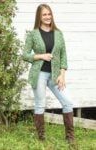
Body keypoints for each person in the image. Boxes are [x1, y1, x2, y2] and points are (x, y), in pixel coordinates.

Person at [22, 4, 75, 143]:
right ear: (39, 17)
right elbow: (25, 55)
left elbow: (63, 55)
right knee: (40, 104)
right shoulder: (33, 34)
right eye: (44, 14)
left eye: (49, 14)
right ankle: (41, 139)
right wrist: (40, 56)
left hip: (55, 75)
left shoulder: (58, 33)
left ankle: (70, 138)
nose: (47, 17)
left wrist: (62, 74)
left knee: (68, 102)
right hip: (39, 73)